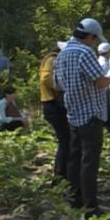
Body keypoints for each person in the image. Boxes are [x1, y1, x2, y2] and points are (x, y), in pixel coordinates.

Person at [53, 18, 110, 217]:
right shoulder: (85, 52)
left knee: (75, 158)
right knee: (89, 161)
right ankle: (91, 207)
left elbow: (56, 85)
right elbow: (99, 82)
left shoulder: (62, 54)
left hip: (73, 113)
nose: (95, 43)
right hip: (90, 114)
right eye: (95, 39)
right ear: (90, 36)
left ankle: (75, 200)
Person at [40, 41, 70, 178]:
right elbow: (45, 78)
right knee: (65, 140)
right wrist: (60, 87)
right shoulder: (52, 59)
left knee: (67, 140)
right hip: (52, 104)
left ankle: (63, 174)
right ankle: (60, 176)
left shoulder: (55, 59)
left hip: (54, 104)